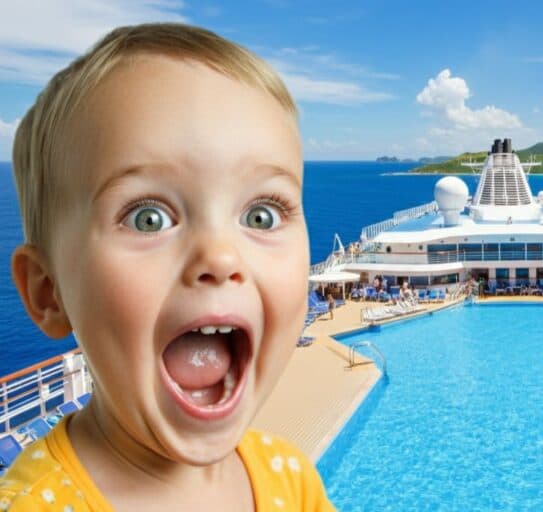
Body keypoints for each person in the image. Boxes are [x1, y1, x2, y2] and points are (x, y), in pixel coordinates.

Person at [1, 23, 334, 510]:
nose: (220, 257)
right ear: (49, 293)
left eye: (260, 214)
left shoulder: (292, 481)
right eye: (148, 217)